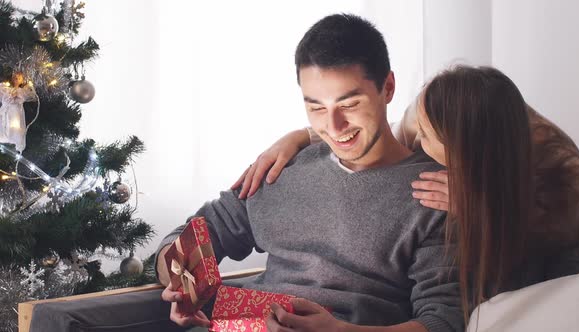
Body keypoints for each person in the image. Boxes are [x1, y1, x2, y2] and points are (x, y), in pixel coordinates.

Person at [156, 14, 463, 332]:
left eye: (349, 104)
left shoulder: (438, 194)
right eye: (316, 108)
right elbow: (192, 236)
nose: (333, 127)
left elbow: (442, 322)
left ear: (388, 87)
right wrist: (180, 281)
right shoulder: (281, 167)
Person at [235, 65, 579, 322]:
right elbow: (383, 135)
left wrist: (481, 208)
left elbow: (564, 239)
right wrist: (301, 136)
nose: (414, 143)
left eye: (428, 138)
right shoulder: (424, 116)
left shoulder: (560, 178)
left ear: (461, 155)